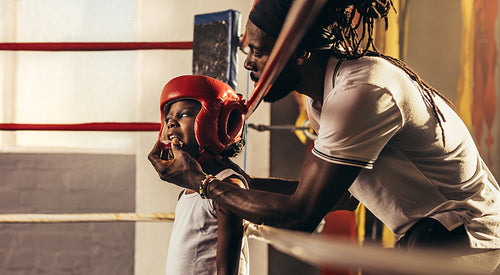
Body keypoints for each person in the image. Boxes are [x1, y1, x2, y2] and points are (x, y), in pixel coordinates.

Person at [149, 0, 500, 272]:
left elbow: (301, 214)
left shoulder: (360, 91)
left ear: (300, 53)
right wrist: (236, 181)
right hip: (435, 237)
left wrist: (204, 182)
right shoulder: (323, 102)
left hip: (474, 240)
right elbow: (341, 199)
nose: (248, 64)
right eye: (247, 51)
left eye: (259, 51)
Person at [157, 75, 249, 275]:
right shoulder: (185, 192)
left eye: (184, 114)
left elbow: (228, 271)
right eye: (168, 118)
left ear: (216, 122)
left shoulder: (228, 186)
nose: (171, 122)